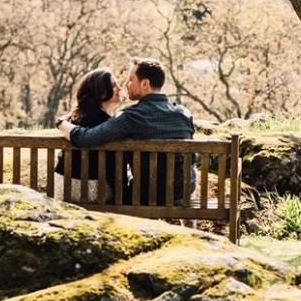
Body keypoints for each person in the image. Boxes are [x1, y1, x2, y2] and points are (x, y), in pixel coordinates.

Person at [56, 57, 196, 205]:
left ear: (145, 84)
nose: (126, 85)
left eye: (130, 80)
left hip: (149, 195)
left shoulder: (131, 116)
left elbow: (85, 139)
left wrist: (61, 122)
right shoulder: (184, 113)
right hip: (184, 190)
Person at [53, 68, 121, 203]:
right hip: (93, 191)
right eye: (114, 85)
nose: (119, 88)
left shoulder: (71, 122)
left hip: (63, 186)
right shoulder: (109, 124)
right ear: (102, 93)